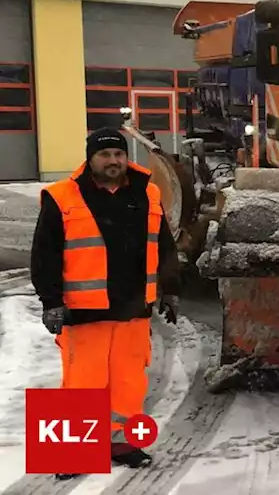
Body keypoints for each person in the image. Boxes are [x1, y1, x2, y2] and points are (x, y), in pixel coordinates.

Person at [30, 128, 182, 478]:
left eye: (119, 154)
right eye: (105, 155)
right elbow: (44, 255)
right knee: (81, 384)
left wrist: (170, 289)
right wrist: (51, 301)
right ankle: (70, 453)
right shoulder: (61, 196)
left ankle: (122, 444)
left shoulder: (147, 192)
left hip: (133, 310)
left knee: (129, 383)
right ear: (90, 159)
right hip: (83, 312)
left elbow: (164, 246)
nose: (113, 161)